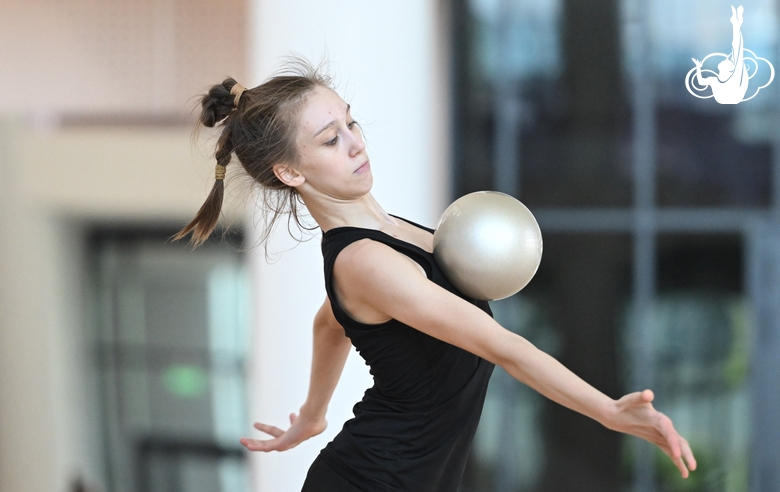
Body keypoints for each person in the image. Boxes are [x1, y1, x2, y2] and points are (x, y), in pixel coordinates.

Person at [174, 61, 697, 491]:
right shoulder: (364, 262)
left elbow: (330, 323)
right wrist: (608, 411)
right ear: (291, 172)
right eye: (330, 140)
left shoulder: (394, 234)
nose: (356, 143)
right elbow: (505, 347)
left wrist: (314, 414)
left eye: (350, 124)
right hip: (373, 481)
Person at [692, 5, 748, 104]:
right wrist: (698, 67)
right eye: (727, 60)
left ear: (729, 69)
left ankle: (736, 23)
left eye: (727, 62)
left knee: (737, 50)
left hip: (732, 99)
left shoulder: (734, 78)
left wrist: (736, 26)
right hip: (723, 104)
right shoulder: (714, 80)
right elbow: (701, 82)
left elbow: (737, 48)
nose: (725, 60)